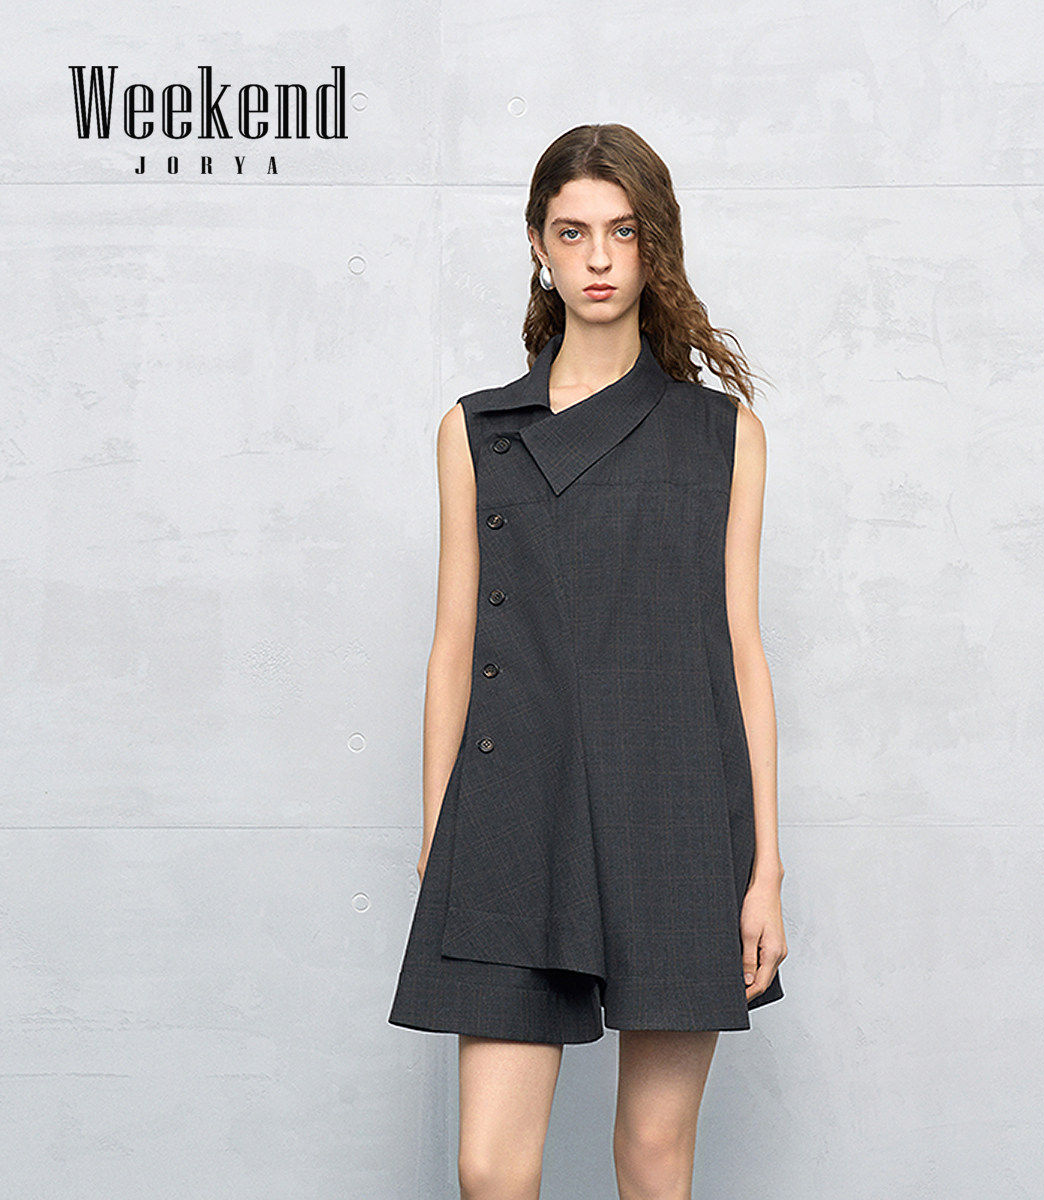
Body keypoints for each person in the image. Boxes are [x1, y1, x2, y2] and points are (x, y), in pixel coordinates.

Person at [388, 123, 787, 1200]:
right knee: (489, 1166)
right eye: (573, 233)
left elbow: (742, 654)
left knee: (654, 1159)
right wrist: (438, 835)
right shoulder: (475, 432)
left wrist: (765, 872)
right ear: (538, 244)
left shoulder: (723, 436)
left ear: (655, 244)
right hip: (516, 814)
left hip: (678, 812)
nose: (599, 259)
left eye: (623, 231)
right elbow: (454, 648)